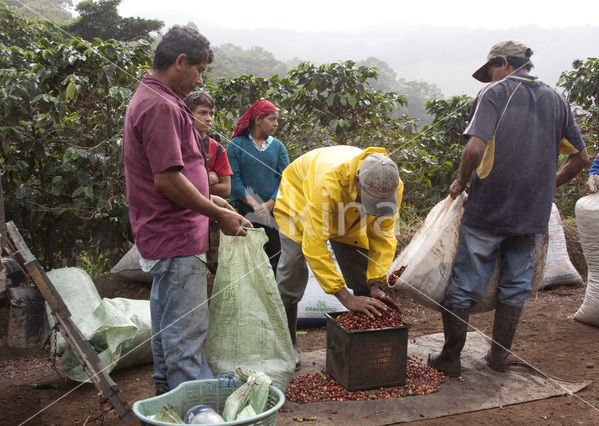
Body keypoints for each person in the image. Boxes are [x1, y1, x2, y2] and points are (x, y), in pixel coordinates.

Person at [428, 40, 589, 377]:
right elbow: (580, 158)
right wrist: (548, 187)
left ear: (503, 62)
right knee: (516, 284)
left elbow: (474, 147)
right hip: (532, 214)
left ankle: (450, 358)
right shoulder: (556, 98)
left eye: (491, 71)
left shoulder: (496, 94)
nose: (489, 79)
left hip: (489, 209)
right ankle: (498, 358)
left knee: (465, 284)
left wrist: (460, 181)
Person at [122, 25, 250, 394]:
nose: (199, 80)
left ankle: (167, 396)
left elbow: (181, 174)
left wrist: (214, 201)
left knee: (166, 327)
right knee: (186, 334)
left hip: (169, 234)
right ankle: (194, 407)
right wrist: (217, 215)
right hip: (175, 235)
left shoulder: (160, 99)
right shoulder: (159, 105)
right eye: (198, 71)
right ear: (180, 62)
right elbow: (166, 180)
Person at [273, 145, 402, 368]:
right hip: (300, 201)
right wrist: (344, 297)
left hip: (347, 212)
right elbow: (315, 245)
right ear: (358, 181)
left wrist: (376, 283)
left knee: (363, 269)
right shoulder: (326, 183)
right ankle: (286, 345)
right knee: (292, 270)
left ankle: (368, 344)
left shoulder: (392, 185)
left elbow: (383, 236)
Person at [227, 99, 290, 274]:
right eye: (272, 119)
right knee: (248, 259)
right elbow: (234, 178)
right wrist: (255, 205)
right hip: (245, 213)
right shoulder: (236, 145)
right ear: (258, 119)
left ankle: (273, 298)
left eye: (277, 119)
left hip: (273, 214)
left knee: (274, 257)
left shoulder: (278, 147)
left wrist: (269, 204)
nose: (276, 124)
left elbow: (286, 178)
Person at [184, 90, 234, 273]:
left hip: (212, 222)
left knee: (217, 267)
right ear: (188, 114)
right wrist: (208, 177)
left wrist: (196, 181)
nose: (209, 119)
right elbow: (175, 182)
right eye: (202, 113)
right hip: (184, 220)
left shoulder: (217, 148)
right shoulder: (179, 143)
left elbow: (226, 189)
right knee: (188, 268)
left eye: (211, 113)